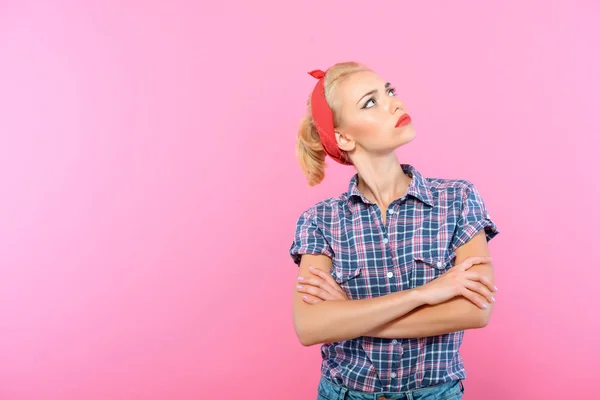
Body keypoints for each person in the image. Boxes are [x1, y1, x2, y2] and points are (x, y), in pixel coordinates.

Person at [289, 62, 500, 400]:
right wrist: (425, 294)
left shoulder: (458, 199)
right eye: (370, 102)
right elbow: (310, 327)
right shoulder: (320, 220)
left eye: (389, 91)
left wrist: (350, 315)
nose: (395, 103)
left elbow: (476, 309)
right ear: (344, 137)